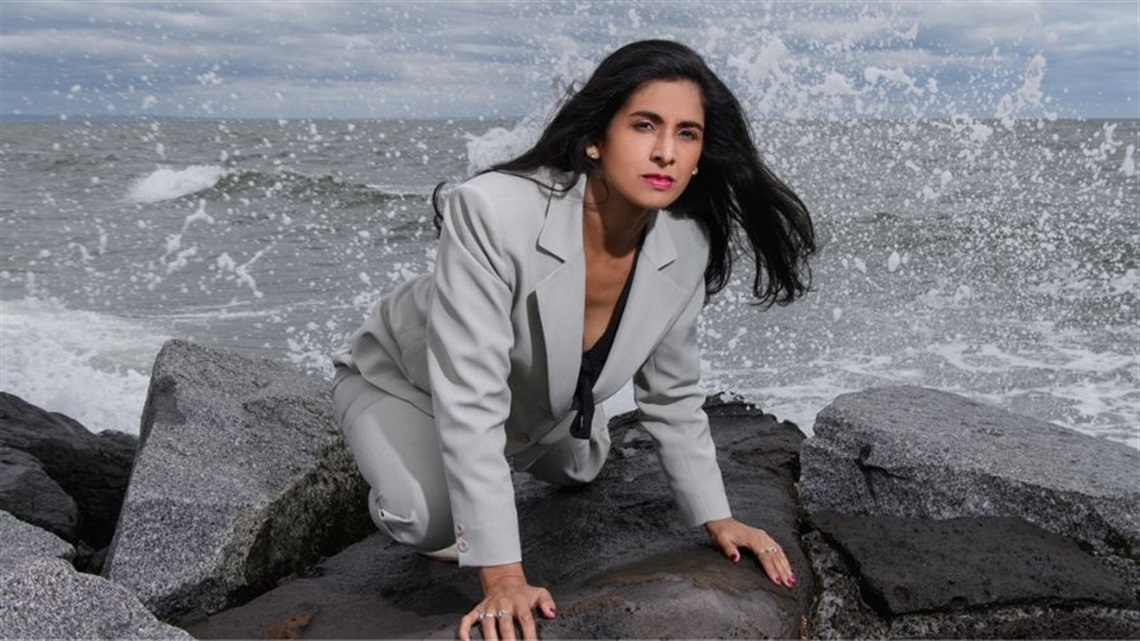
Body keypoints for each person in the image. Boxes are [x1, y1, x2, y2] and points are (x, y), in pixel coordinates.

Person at [331, 39, 816, 640]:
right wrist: (503, 575)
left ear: (700, 156)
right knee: (427, 521)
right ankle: (394, 450)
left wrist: (716, 518)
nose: (665, 150)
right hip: (409, 381)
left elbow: (673, 395)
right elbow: (469, 395)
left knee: (583, 468)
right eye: (645, 125)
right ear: (596, 138)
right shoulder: (491, 211)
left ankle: (559, 430)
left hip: (534, 407)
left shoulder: (687, 243)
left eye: (687, 134)